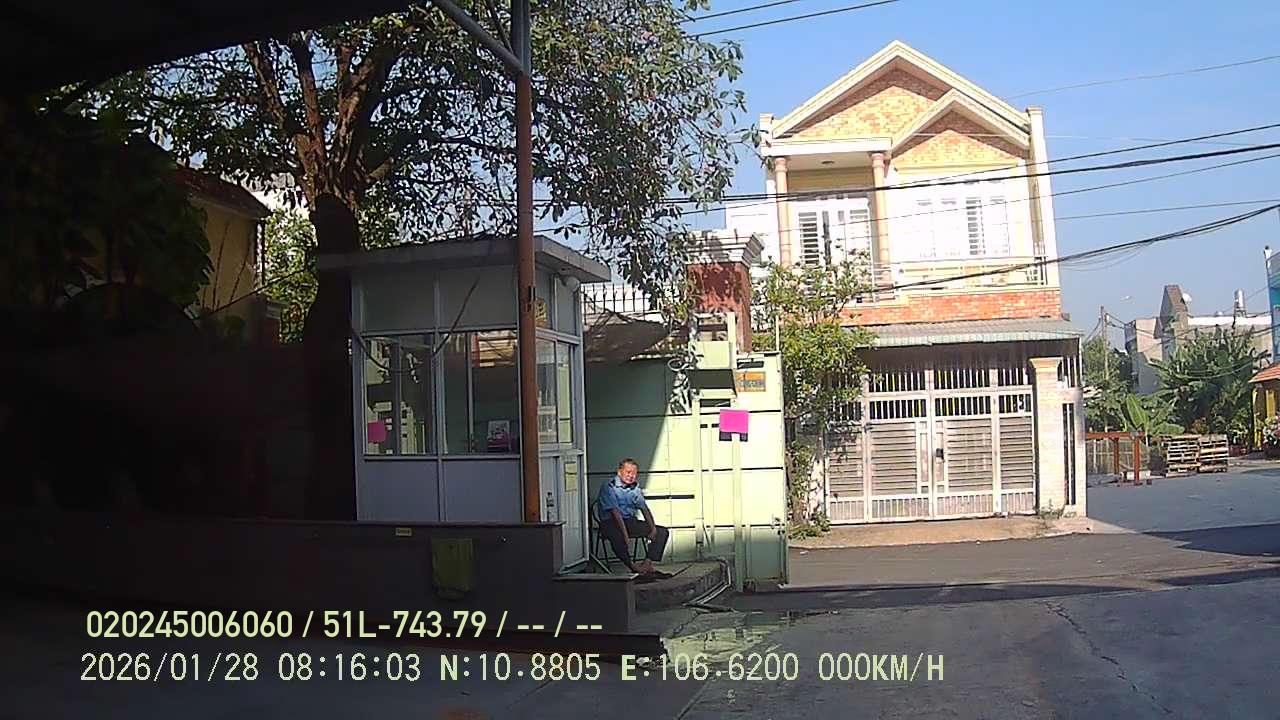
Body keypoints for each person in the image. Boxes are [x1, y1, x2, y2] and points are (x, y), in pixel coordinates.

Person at [597, 458, 670, 577]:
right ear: (619, 472)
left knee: (662, 532)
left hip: (629, 521)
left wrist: (653, 529)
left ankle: (647, 563)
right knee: (618, 537)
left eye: (634, 473)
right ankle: (632, 566)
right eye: (628, 472)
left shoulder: (635, 488)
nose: (631, 476)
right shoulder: (609, 486)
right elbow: (615, 513)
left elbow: (644, 509)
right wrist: (625, 535)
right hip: (611, 522)